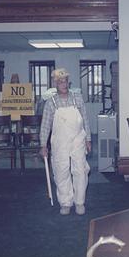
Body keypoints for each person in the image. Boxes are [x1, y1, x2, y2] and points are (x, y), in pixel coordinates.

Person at [40, 68, 91, 215]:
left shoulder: (77, 98)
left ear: (69, 82)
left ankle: (79, 202)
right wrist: (43, 144)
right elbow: (45, 125)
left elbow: (85, 120)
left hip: (78, 140)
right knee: (61, 171)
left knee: (80, 170)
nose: (63, 84)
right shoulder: (51, 103)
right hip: (59, 142)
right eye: (60, 82)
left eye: (65, 81)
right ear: (55, 84)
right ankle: (65, 202)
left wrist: (88, 139)